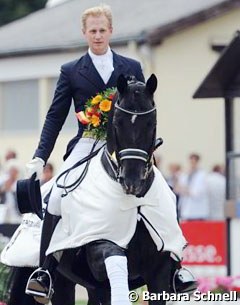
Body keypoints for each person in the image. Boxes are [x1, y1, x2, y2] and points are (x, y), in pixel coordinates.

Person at [24, 4, 196, 305]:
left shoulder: (130, 66)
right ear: (85, 33)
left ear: (111, 31)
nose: (98, 35)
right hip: (89, 140)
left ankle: (176, 268)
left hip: (129, 145)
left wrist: (146, 146)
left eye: (103, 30)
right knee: (57, 195)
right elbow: (55, 116)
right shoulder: (71, 71)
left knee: (165, 194)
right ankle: (45, 272)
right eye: (93, 30)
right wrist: (40, 156)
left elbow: (144, 109)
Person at [176, 153, 209, 220]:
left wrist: (187, 191)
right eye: (191, 162)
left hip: (198, 210)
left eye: (194, 162)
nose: (192, 164)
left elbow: (199, 192)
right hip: (186, 210)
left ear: (197, 162)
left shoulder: (202, 175)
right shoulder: (185, 174)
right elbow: (178, 189)